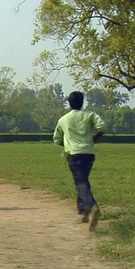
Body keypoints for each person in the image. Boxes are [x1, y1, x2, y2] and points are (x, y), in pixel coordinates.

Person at [53, 91, 105, 232]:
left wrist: (67, 144)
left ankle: (92, 207)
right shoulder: (90, 115)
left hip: (73, 154)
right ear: (82, 103)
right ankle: (84, 212)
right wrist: (93, 139)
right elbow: (101, 127)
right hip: (89, 153)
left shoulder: (63, 120)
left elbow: (56, 139)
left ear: (69, 103)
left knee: (80, 182)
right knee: (83, 180)